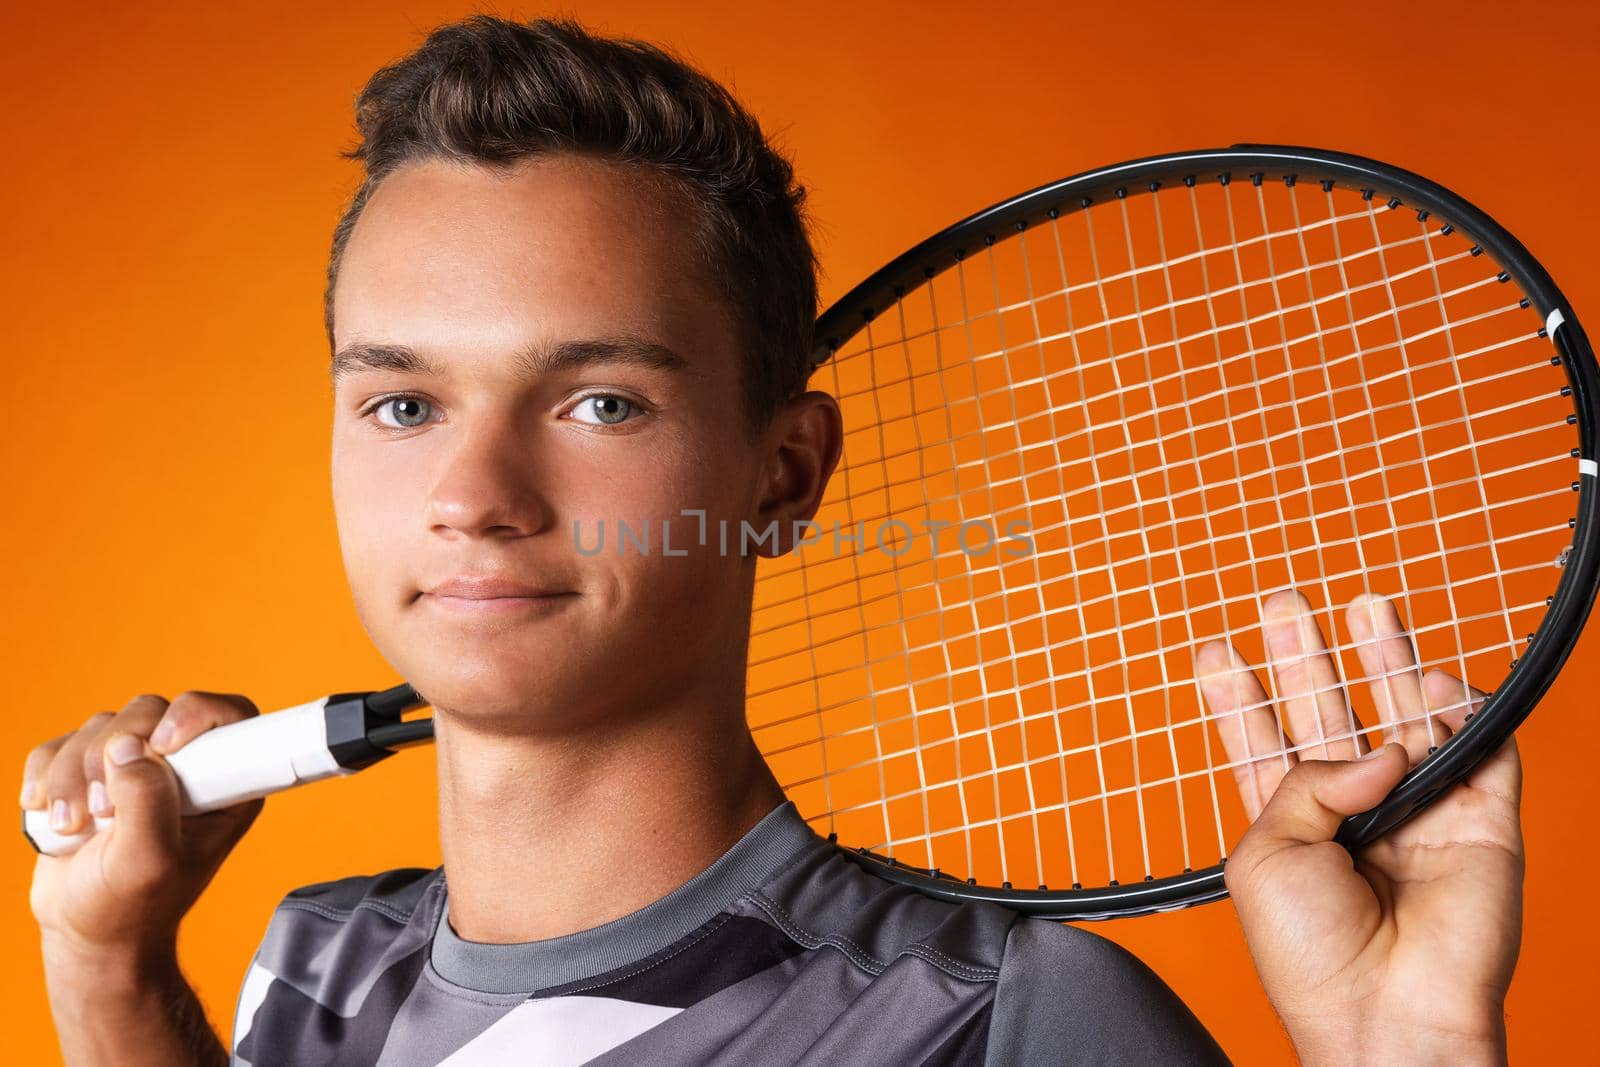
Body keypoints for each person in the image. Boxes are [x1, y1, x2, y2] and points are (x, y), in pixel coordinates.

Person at [23, 15, 1521, 1066]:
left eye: (600, 399)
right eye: (403, 403)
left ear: (784, 471)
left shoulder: (999, 1023)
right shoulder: (314, 970)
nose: (475, 492)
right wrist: (109, 967)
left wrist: (1414, 1059)